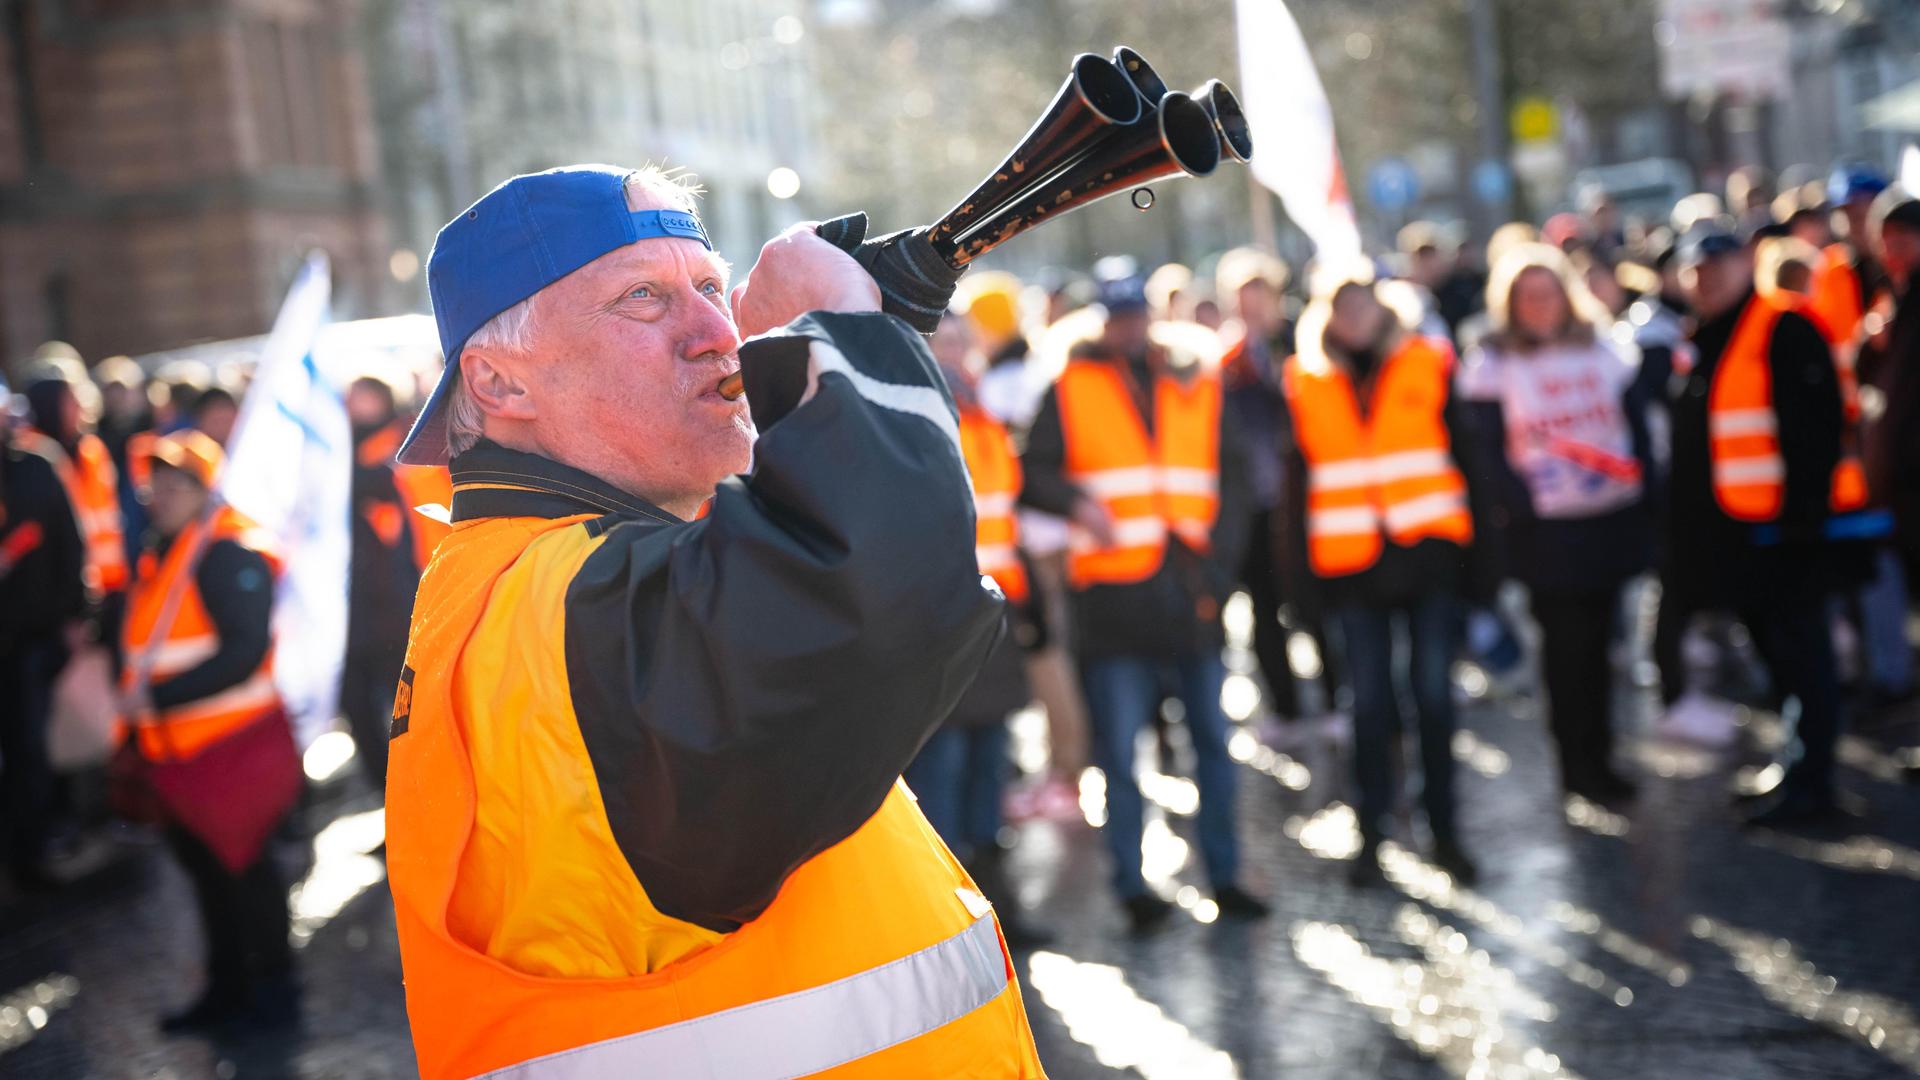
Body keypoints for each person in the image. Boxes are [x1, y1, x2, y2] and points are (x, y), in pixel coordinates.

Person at [382, 165, 1043, 1079]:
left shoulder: (550, 574)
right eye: (643, 299)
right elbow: (879, 596)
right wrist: (845, 340)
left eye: (707, 285)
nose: (716, 333)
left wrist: (817, 360)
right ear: (500, 385)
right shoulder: (553, 606)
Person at [1020, 270, 1270, 932]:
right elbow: (1032, 471)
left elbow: (1234, 478)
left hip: (1191, 592)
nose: (1129, 327)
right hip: (1113, 598)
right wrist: (1075, 502)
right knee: (1120, 757)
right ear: (1100, 320)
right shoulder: (1069, 385)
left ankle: (1224, 873)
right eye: (1117, 316)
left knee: (1214, 745)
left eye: (1137, 314)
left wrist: (1220, 566)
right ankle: (1132, 885)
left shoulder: (1196, 378)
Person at [1276, 262, 1481, 887]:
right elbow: (1294, 489)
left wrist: (1485, 567)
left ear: (1383, 306)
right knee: (1367, 707)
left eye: (1362, 302)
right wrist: (1298, 590)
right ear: (1325, 314)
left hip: (1429, 560)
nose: (1354, 316)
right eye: (1341, 305)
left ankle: (1444, 831)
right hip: (1350, 571)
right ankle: (1373, 837)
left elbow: (1470, 456)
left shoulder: (1428, 360)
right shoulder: (1305, 378)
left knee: (1435, 701)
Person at [1657, 227, 1855, 827]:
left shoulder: (1783, 326)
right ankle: (1796, 768)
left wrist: (1803, 520)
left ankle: (1813, 782)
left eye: (1718, 265)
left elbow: (1817, 431)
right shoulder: (1705, 338)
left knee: (1805, 659)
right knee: (1780, 662)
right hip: (1739, 540)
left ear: (1746, 264)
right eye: (1696, 269)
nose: (1706, 277)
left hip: (1784, 537)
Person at [1456, 244, 1651, 803]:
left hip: (1608, 519)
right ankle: (1576, 764)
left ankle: (1602, 754)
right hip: (1545, 533)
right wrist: (1522, 506)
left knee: (1601, 648)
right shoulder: (1492, 364)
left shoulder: (1604, 347)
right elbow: (1486, 453)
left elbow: (1634, 423)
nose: (1541, 305)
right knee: (1565, 653)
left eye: (1549, 293)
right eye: (1528, 296)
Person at [119, 430, 299, 1031]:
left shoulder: (226, 552)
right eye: (155, 486)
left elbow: (244, 651)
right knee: (210, 880)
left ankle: (272, 998)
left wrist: (155, 696)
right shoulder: (167, 551)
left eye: (175, 485)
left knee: (247, 877)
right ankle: (228, 992)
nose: (160, 496)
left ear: (204, 489)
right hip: (181, 755)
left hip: (233, 750)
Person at [906, 312, 1051, 947]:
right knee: (945, 776)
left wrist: (1031, 606)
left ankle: (997, 914)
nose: (957, 351)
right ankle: (946, 927)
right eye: (943, 340)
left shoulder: (980, 414)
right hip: (940, 625)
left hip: (990, 618)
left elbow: (1003, 523)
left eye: (963, 340)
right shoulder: (914, 415)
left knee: (989, 772)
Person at [1215, 247, 1319, 737]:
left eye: (1259, 297)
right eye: (1242, 299)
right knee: (1264, 606)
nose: (1251, 309)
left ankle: (1334, 695)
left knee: (1312, 601)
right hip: (1255, 500)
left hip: (1308, 494)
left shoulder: (1307, 339)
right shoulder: (1224, 357)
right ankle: (1286, 704)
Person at [0, 373, 88, 892]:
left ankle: (29, 856)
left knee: (30, 748)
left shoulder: (37, 465)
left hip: (30, 638)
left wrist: (75, 614)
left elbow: (70, 544)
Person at [339, 376, 429, 789]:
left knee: (409, 707)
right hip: (354, 603)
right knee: (358, 707)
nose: (357, 404)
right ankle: (390, 799)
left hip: (399, 599)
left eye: (366, 394)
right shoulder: (337, 447)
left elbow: (390, 490)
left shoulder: (408, 436)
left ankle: (419, 796)